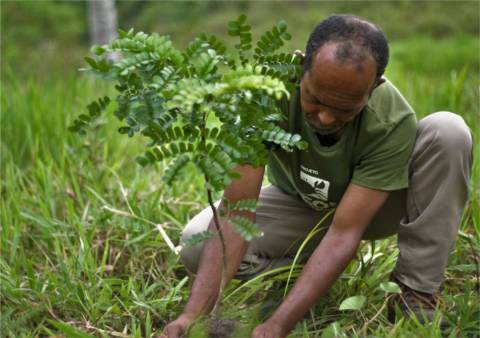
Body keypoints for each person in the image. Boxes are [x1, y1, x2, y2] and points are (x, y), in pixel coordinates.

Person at [160, 14, 473, 338]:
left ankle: (415, 293)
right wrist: (190, 318)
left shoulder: (390, 119)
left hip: (377, 209)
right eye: (315, 100)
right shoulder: (264, 94)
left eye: (345, 109)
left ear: (373, 88)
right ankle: (303, 280)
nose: (325, 117)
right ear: (301, 67)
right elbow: (236, 213)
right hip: (303, 202)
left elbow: (345, 232)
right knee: (194, 244)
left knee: (448, 131)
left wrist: (277, 326)